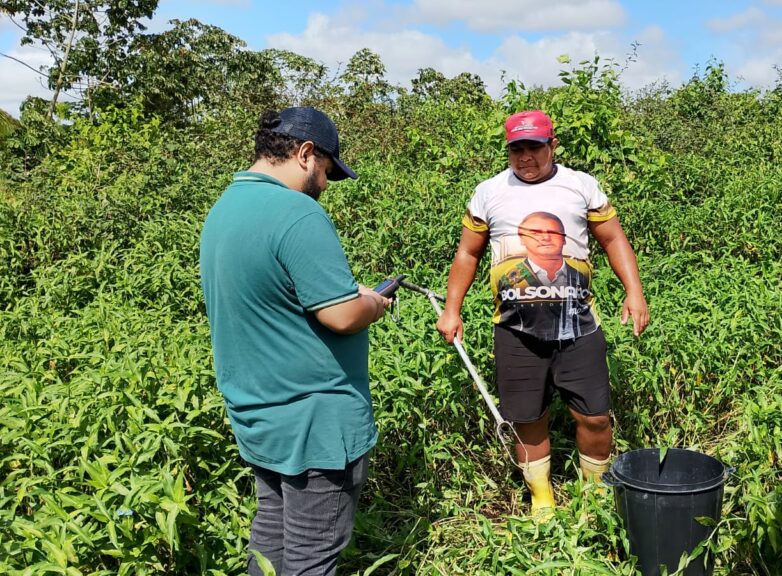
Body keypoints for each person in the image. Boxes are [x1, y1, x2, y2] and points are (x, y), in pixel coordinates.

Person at [199, 107, 391, 575]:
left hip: (260, 416)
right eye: (325, 171)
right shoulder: (297, 212)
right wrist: (372, 303)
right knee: (311, 557)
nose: (324, 185)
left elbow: (276, 293)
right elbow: (342, 315)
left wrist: (344, 294)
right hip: (315, 425)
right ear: (306, 154)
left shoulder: (225, 209)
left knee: (271, 541)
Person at [436, 109, 649, 515]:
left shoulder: (580, 186)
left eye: (534, 147)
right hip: (515, 331)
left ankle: (594, 497)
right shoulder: (489, 192)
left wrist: (634, 292)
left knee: (595, 417)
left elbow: (613, 239)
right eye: (516, 149)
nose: (525, 157)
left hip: (579, 327)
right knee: (527, 419)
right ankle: (542, 501)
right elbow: (467, 253)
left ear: (552, 146)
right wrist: (452, 309)